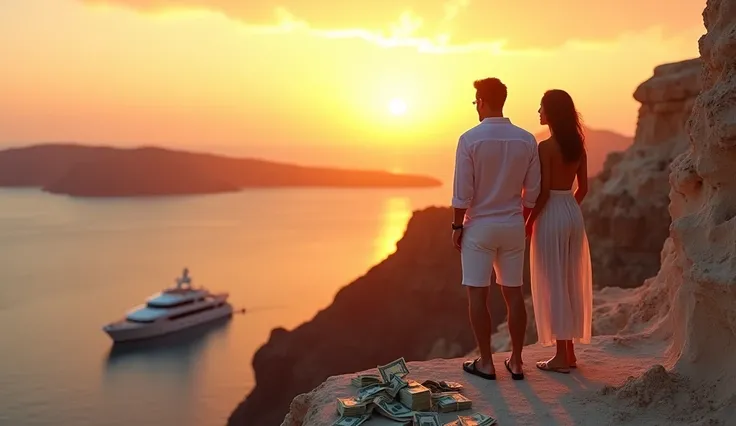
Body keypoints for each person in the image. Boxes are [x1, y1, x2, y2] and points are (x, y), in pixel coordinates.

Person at [452, 77, 541, 381]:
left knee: (478, 296)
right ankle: (516, 362)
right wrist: (522, 218)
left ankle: (487, 363)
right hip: (513, 225)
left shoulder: (469, 139)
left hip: (479, 228)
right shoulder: (527, 139)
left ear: (483, 101)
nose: (475, 105)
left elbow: (462, 191)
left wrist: (456, 225)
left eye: (476, 100)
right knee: (514, 295)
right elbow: (532, 192)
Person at [525, 89, 593, 374]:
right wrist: (568, 208)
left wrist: (529, 222)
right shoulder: (578, 145)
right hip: (571, 213)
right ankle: (570, 353)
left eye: (541, 107)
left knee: (554, 283)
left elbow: (541, 194)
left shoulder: (545, 148)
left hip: (551, 212)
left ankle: (560, 357)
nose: (538, 112)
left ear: (551, 113)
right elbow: (584, 189)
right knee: (570, 279)